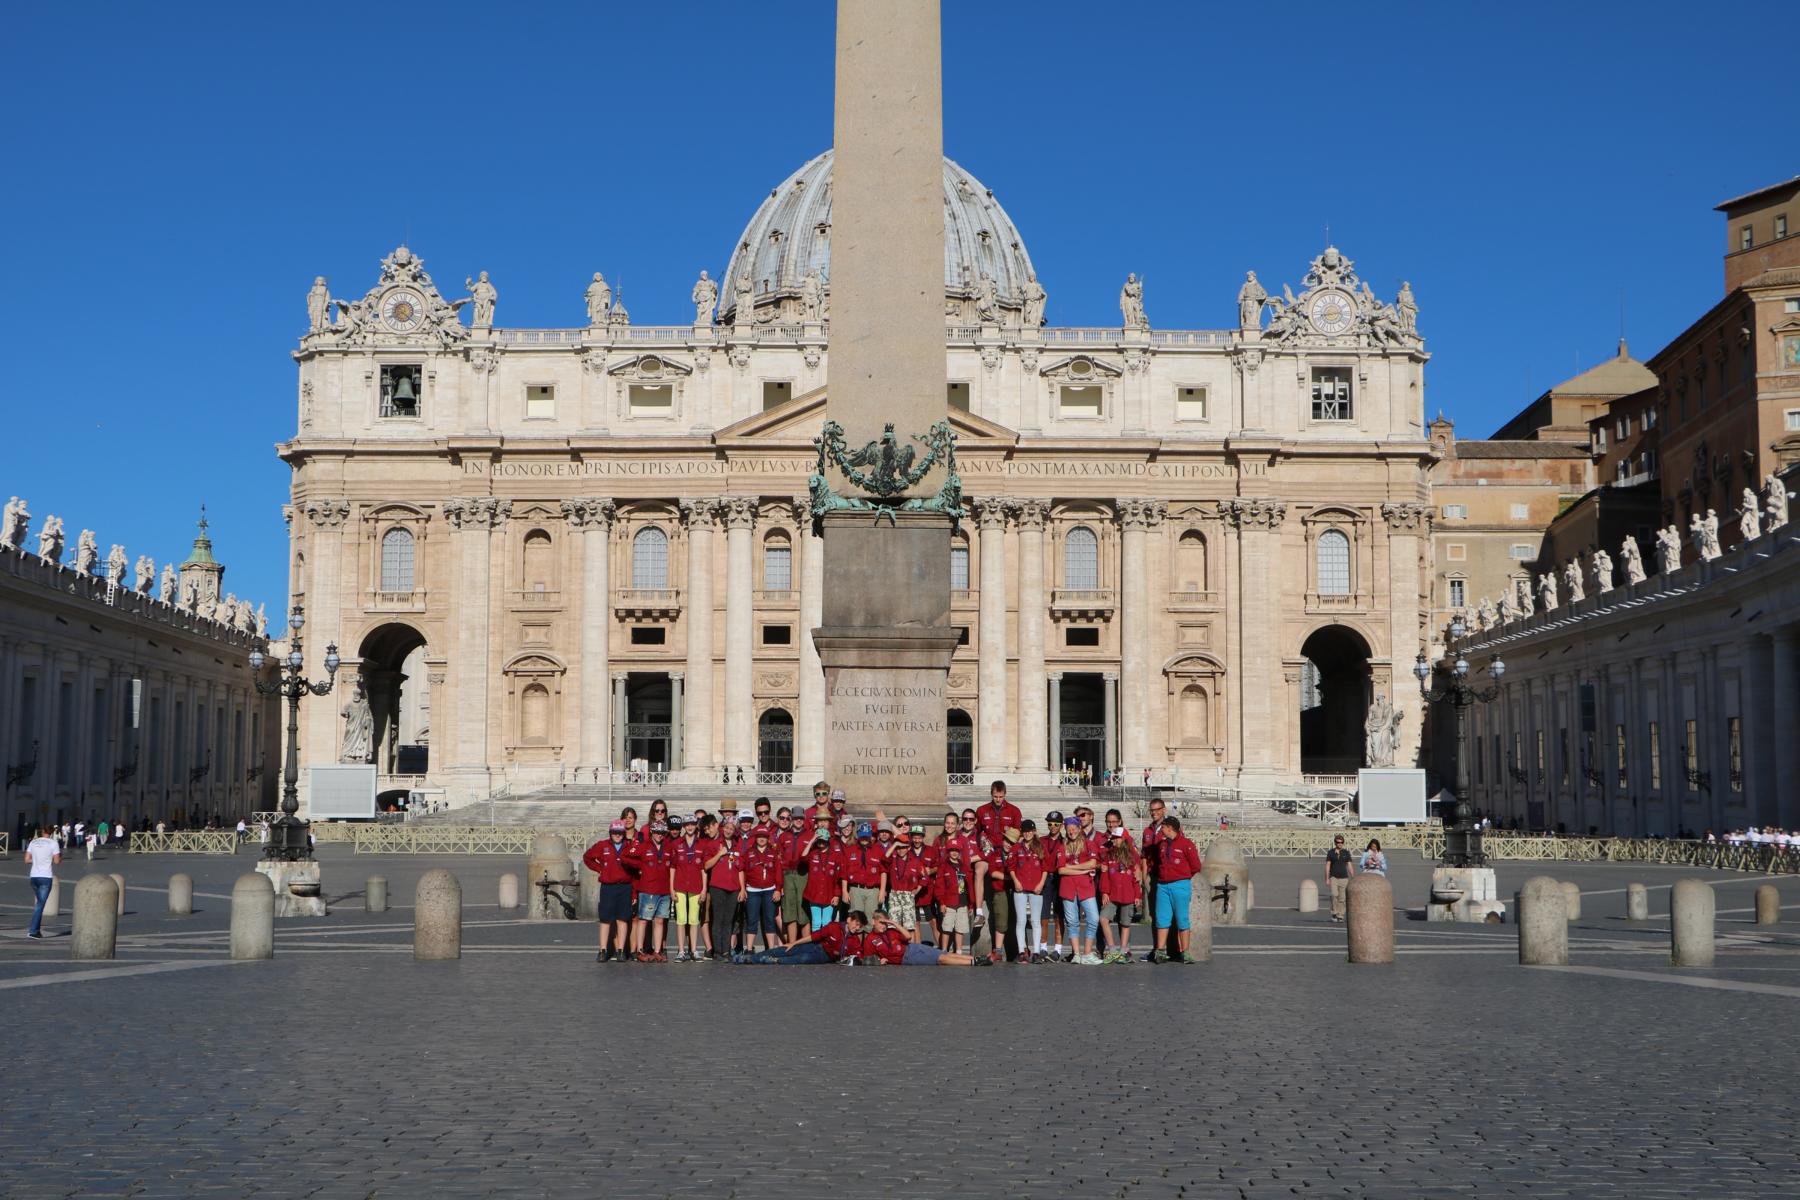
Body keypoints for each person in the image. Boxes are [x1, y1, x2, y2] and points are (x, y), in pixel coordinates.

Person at [1150, 817, 1203, 964]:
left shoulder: (1186, 844)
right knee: (1162, 918)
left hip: (1180, 885)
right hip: (1163, 885)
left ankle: (1185, 952)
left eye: (1164, 827)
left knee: (1182, 918)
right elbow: (1156, 862)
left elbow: (1196, 866)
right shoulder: (1161, 844)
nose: (1161, 830)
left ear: (1170, 828)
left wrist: (1182, 877)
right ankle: (1160, 951)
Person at [582, 821, 636, 962]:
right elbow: (587, 857)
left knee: (622, 919)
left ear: (623, 833)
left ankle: (621, 950)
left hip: (625, 886)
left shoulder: (629, 846)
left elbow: (636, 866)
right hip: (608, 887)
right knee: (605, 919)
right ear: (610, 833)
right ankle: (603, 950)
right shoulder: (602, 845)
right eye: (614, 833)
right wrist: (600, 869)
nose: (617, 835)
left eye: (620, 833)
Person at [734, 910, 865, 965]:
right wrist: (794, 943)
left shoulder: (855, 940)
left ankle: (775, 961)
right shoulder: (833, 927)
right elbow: (813, 936)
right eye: (856, 923)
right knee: (787, 949)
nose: (857, 928)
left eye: (860, 926)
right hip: (817, 946)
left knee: (803, 958)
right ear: (849, 919)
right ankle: (750, 958)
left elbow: (859, 956)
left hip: (825, 956)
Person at [861, 910, 982, 967]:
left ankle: (977, 959)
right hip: (907, 957)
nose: (883, 926)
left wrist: (893, 923)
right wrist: (880, 961)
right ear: (873, 922)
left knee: (944, 953)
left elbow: (908, 937)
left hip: (913, 947)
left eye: (885, 923)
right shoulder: (870, 939)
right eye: (881, 923)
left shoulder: (891, 930)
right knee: (941, 960)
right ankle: (973, 963)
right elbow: (868, 959)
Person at [627, 820, 674, 962]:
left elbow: (673, 864)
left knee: (660, 920)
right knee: (644, 920)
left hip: (664, 890)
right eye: (657, 832)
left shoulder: (668, 847)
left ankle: (657, 950)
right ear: (652, 832)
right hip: (648, 889)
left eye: (662, 833)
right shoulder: (643, 846)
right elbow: (626, 857)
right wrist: (640, 866)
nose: (660, 835)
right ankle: (640, 950)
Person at [1057, 818, 1101, 964]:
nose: (1071, 831)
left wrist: (1071, 867)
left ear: (1079, 827)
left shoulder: (1088, 844)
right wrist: (1083, 870)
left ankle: (1087, 953)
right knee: (1072, 922)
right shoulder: (1062, 846)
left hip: (1086, 887)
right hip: (1068, 887)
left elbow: (1093, 863)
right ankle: (1076, 953)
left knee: (1094, 918)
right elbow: (1061, 869)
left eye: (1074, 828)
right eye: (1069, 829)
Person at [669, 816, 711, 961]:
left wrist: (704, 889)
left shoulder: (702, 844)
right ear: (684, 826)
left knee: (694, 919)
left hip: (696, 885)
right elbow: (672, 867)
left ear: (696, 826)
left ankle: (694, 950)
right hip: (679, 885)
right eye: (687, 825)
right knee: (681, 919)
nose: (690, 827)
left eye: (692, 824)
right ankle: (681, 951)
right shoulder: (676, 844)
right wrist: (671, 888)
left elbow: (704, 869)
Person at [1007, 820, 1049, 964]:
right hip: (1020, 887)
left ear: (1034, 831)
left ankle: (1036, 952)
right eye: (1025, 831)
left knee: (1035, 921)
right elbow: (1011, 867)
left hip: (1036, 888)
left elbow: (1045, 868)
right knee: (1021, 921)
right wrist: (1015, 881)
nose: (1027, 834)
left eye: (1030, 831)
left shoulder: (1040, 847)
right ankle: (1021, 951)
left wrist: (1041, 884)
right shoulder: (1016, 848)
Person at [704, 815, 745, 960]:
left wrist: (742, 889)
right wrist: (719, 854)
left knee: (729, 920)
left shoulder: (737, 845)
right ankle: (717, 951)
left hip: (733, 887)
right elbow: (706, 865)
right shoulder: (714, 844)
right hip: (718, 886)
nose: (728, 830)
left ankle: (726, 951)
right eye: (727, 827)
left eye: (732, 828)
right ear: (722, 827)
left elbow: (740, 868)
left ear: (735, 830)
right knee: (718, 919)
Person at [1099, 831, 1142, 964]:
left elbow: (1136, 878)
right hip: (1112, 894)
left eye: (1117, 838)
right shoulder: (1109, 854)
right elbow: (1105, 875)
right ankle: (1112, 950)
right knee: (1103, 919)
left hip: (1128, 894)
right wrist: (1104, 892)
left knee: (1125, 923)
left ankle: (1123, 951)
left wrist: (1137, 895)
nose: (1115, 841)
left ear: (1124, 839)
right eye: (1114, 838)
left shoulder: (1132, 855)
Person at [741, 825, 784, 952]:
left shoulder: (773, 852)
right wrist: (743, 889)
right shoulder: (748, 853)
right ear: (755, 837)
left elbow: (778, 872)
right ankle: (749, 948)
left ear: (767, 838)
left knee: (769, 919)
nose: (761, 839)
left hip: (769, 890)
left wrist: (778, 889)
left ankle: (771, 949)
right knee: (752, 919)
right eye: (759, 836)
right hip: (752, 890)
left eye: (764, 837)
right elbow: (743, 871)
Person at [885, 824, 932, 935]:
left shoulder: (915, 861)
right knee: (893, 924)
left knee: (909, 925)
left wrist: (917, 890)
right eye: (899, 848)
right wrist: (895, 844)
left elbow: (924, 877)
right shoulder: (893, 859)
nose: (901, 850)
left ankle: (909, 948)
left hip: (908, 894)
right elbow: (884, 857)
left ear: (908, 848)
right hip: (895, 894)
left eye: (903, 847)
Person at [799, 824, 845, 932]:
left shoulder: (835, 856)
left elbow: (839, 877)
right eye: (819, 841)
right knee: (816, 922)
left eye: (823, 840)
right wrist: (812, 840)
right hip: (814, 894)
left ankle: (825, 946)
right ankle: (816, 947)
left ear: (828, 840)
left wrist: (837, 895)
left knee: (826, 922)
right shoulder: (813, 853)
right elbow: (802, 857)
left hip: (829, 894)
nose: (821, 843)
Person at [933, 843, 976, 953]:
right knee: (946, 928)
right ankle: (943, 950)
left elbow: (969, 886)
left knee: (960, 929)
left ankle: (959, 951)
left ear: (960, 852)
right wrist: (941, 903)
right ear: (948, 852)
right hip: (948, 903)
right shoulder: (943, 867)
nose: (954, 853)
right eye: (952, 850)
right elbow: (939, 886)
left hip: (962, 903)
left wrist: (971, 903)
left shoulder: (964, 867)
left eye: (956, 850)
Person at [843, 821, 888, 921]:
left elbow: (883, 872)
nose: (864, 839)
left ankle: (870, 937)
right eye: (862, 836)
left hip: (873, 890)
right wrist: (844, 891)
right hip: (855, 889)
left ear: (871, 836)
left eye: (866, 836)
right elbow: (844, 873)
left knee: (871, 919)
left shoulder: (878, 850)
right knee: (856, 920)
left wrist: (882, 891)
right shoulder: (850, 850)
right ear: (858, 835)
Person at [24, 825, 60, 939]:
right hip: (45, 876)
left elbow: (26, 860)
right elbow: (57, 861)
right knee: (40, 905)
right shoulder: (53, 843)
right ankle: (33, 931)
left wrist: (36, 860)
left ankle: (37, 930)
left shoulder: (33, 842)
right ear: (51, 832)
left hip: (34, 876)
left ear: (42, 832)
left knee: (39, 903)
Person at [1040, 810, 1067, 960]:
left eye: (1056, 824)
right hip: (1045, 880)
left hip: (1059, 879)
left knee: (1058, 916)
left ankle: (1057, 949)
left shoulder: (1065, 842)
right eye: (1050, 823)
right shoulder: (1041, 840)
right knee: (1043, 915)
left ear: (1061, 826)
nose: (1053, 826)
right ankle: (1043, 947)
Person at [1324, 833, 1356, 922]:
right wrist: (1326, 878)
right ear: (1335, 843)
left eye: (1341, 842)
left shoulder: (1346, 852)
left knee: (1342, 898)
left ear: (1343, 843)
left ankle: (1340, 915)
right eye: (1338, 842)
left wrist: (1353, 876)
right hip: (1333, 877)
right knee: (1334, 895)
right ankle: (1334, 912)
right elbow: (1327, 866)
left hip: (1344, 878)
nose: (1340, 844)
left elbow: (1349, 865)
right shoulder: (1330, 852)